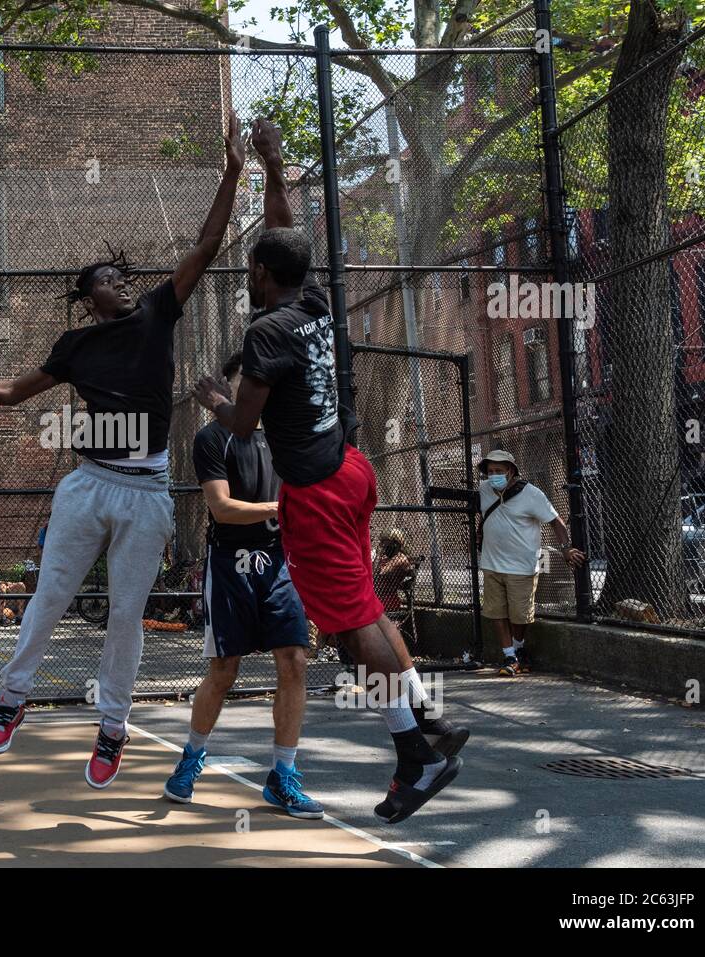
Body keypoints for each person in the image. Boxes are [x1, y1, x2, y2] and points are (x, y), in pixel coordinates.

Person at [0, 111, 247, 789]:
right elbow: (9, 391)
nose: (120, 280)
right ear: (89, 299)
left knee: (125, 614)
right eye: (107, 278)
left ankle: (112, 727)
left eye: (122, 273)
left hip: (145, 489)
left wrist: (233, 169)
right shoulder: (76, 347)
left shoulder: (156, 311)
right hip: (89, 484)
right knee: (50, 593)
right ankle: (11, 696)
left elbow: (206, 242)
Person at [192, 117, 468, 824]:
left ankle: (415, 754)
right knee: (367, 611)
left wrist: (216, 401)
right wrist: (274, 164)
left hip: (315, 490)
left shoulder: (266, 330)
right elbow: (285, 231)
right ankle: (426, 720)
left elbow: (246, 426)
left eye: (252, 266)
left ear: (259, 275)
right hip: (352, 468)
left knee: (349, 627)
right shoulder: (314, 302)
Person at [163, 351, 323, 818]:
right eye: (247, 383)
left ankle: (282, 776)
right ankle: (192, 758)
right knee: (224, 670)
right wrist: (280, 510)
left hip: (278, 561)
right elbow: (222, 507)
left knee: (294, 660)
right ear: (227, 391)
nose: (257, 390)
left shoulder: (283, 439)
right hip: (230, 564)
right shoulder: (211, 440)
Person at [477, 449, 585, 677]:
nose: (493, 475)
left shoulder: (531, 494)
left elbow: (556, 522)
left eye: (499, 471)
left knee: (520, 615)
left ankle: (518, 649)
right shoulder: (484, 490)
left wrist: (565, 549)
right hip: (491, 564)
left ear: (511, 471)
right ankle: (509, 656)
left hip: (521, 567)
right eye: (490, 471)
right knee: (497, 612)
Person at [374, 529, 413, 615]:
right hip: (376, 598)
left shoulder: (400, 559)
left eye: (386, 543)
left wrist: (378, 555)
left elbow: (380, 573)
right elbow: (372, 572)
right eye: (382, 543)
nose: (383, 546)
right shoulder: (385, 559)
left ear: (395, 544)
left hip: (388, 600)